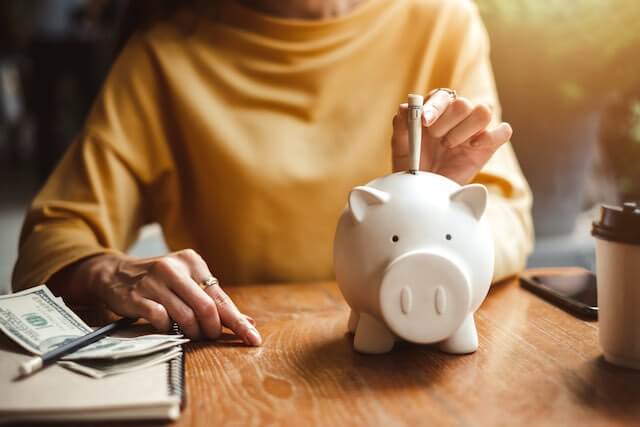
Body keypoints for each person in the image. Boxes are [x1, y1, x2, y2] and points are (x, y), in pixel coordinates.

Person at [12, 0, 533, 345]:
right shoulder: (162, 59)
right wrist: (111, 272)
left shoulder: (441, 20)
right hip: (239, 360)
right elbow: (50, 242)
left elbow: (509, 217)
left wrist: (437, 203)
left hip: (406, 362)